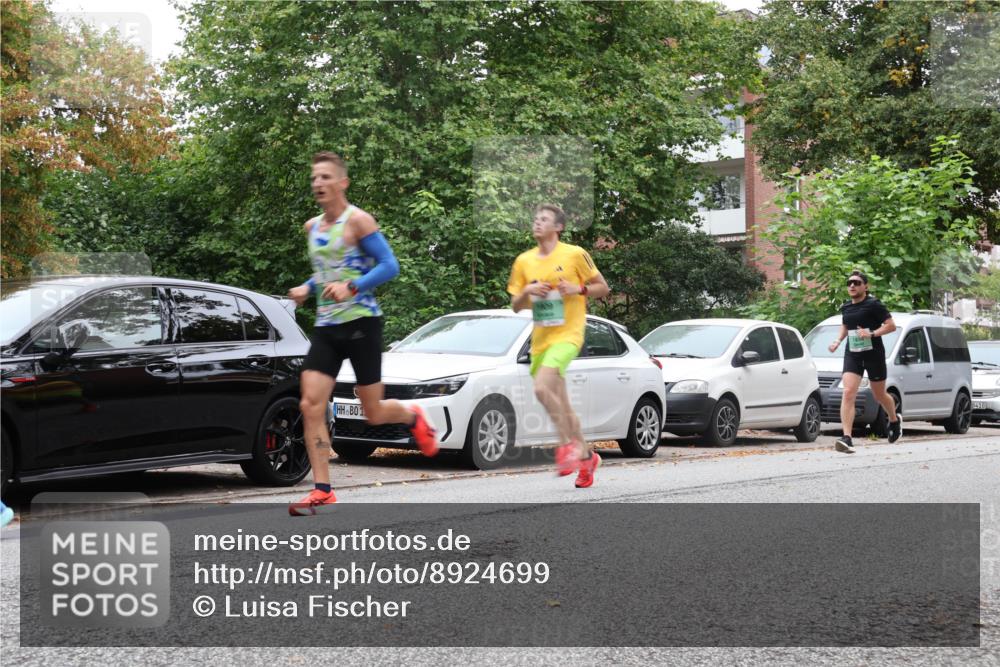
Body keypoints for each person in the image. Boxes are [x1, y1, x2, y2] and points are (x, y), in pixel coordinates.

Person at [287, 152, 438, 515]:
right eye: (314, 178)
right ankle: (322, 488)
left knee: (373, 412)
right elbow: (327, 271)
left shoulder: (359, 222)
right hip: (327, 327)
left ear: (342, 182)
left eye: (325, 177)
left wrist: (352, 288)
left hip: (362, 324)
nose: (317, 184)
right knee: (310, 404)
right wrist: (308, 287)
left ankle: (412, 416)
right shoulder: (313, 227)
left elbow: (389, 265)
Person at [507, 204, 610, 487]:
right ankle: (588, 458)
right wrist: (528, 291)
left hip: (569, 335)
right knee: (563, 405)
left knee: (541, 388)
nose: (537, 223)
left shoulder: (575, 254)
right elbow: (516, 306)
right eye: (535, 218)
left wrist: (580, 289)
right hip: (541, 339)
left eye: (544, 219)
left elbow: (603, 287)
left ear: (558, 227)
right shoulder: (524, 261)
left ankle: (567, 447)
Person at [827, 270, 900, 453]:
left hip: (873, 353)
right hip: (853, 353)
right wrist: (838, 340)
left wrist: (872, 333)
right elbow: (846, 325)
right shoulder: (846, 307)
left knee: (879, 395)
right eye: (849, 282)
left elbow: (891, 325)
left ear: (865, 286)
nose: (852, 285)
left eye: (857, 282)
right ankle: (847, 438)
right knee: (848, 392)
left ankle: (894, 420)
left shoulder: (874, 304)